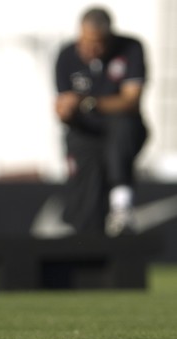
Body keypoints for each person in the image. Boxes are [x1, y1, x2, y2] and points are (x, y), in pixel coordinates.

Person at [54, 6, 148, 236]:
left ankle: (121, 206)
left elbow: (131, 100)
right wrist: (65, 109)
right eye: (85, 41)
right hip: (84, 134)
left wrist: (88, 103)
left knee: (120, 132)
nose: (90, 48)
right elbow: (62, 105)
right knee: (86, 196)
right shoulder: (66, 56)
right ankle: (84, 240)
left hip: (121, 132)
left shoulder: (130, 49)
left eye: (96, 42)